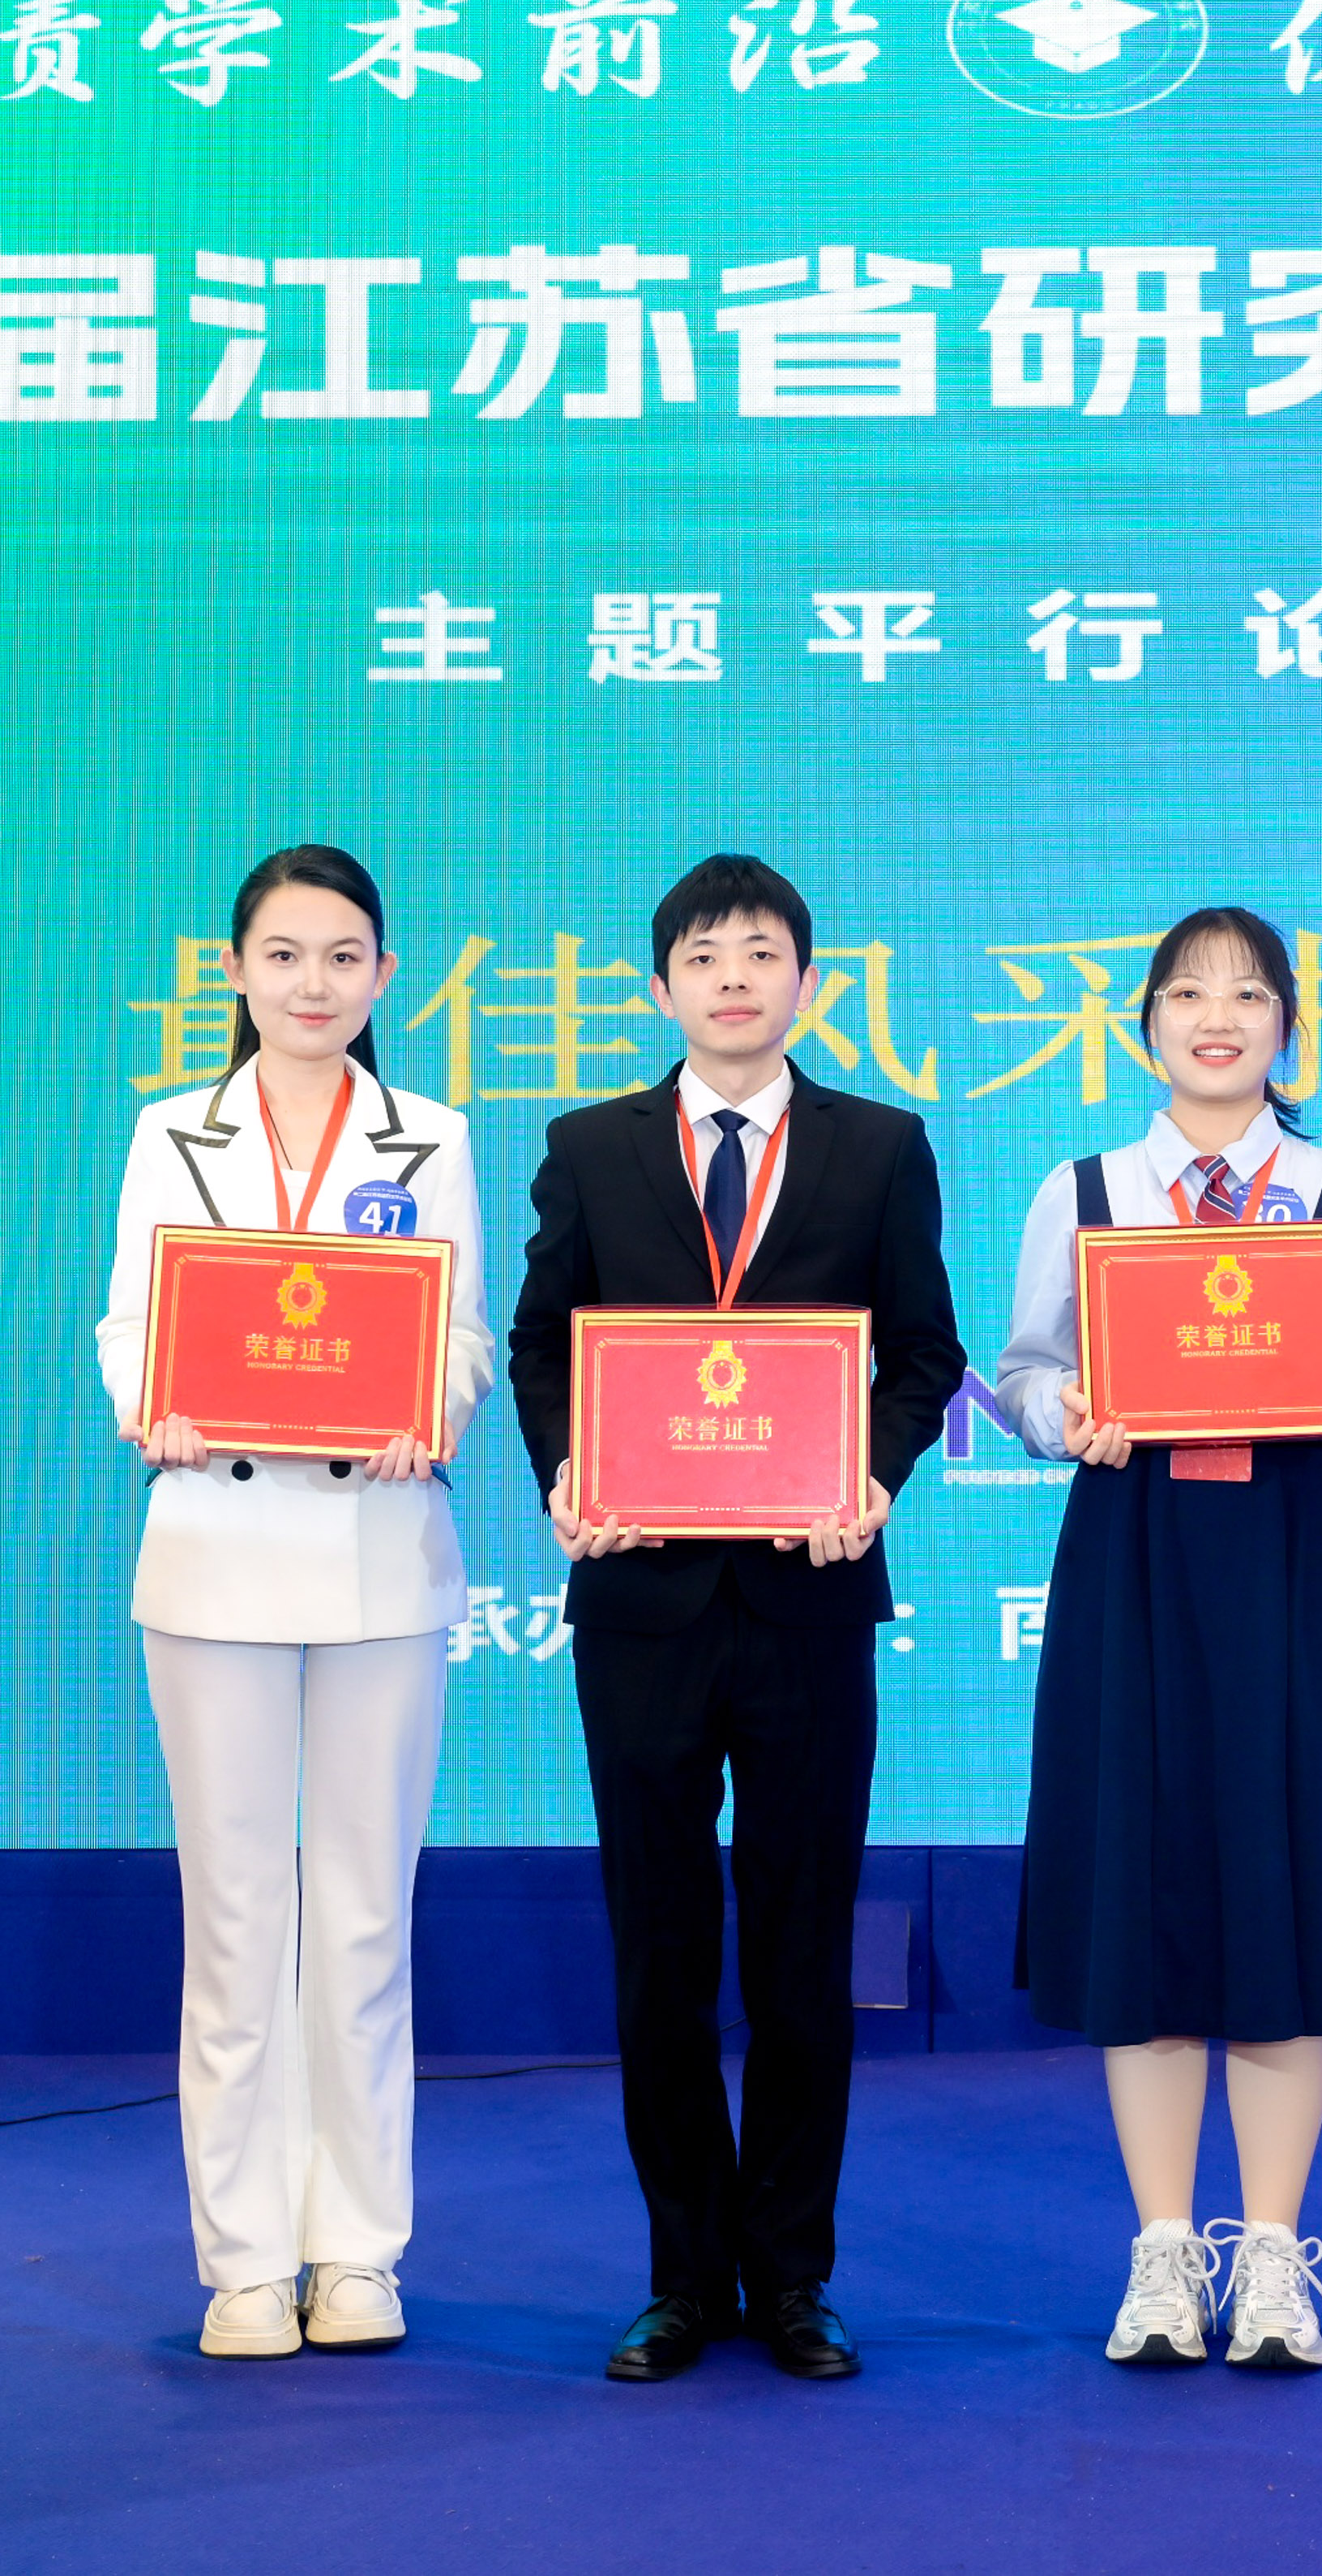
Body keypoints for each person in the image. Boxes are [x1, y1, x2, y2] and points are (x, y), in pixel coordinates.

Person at [507, 854, 967, 2384]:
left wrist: (872, 1478)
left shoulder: (878, 1146)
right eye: (703, 955)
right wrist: (569, 1474)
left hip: (807, 1593)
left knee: (798, 1945)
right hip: (640, 1597)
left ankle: (793, 2275)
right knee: (658, 1947)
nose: (732, 979)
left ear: (807, 984)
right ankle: (682, 2277)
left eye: (761, 953)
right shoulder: (589, 1146)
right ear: (661, 987)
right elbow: (542, 1347)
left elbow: (922, 1353)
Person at [991, 907, 1322, 2374]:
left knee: (1284, 1885)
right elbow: (1025, 1373)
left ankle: (1269, 2257)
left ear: (1286, 1027)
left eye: (1249, 994)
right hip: (1133, 1554)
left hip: (1294, 1556)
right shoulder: (1086, 1189)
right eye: (1188, 993)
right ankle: (1159, 2251)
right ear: (1145, 1024)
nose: (1218, 1017)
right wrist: (1066, 1413)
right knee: (1145, 1888)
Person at [94, 842, 495, 2362]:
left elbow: (461, 1332)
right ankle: (248, 2257)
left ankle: (361, 2249)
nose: (312, 982)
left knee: (367, 1918)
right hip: (213, 1546)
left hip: (379, 1551)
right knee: (238, 1920)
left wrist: (429, 1410)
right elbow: (132, 1320)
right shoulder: (171, 1131)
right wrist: (152, 1404)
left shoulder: (432, 1135)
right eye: (283, 954)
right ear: (237, 970)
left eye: (341, 956)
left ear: (384, 976)